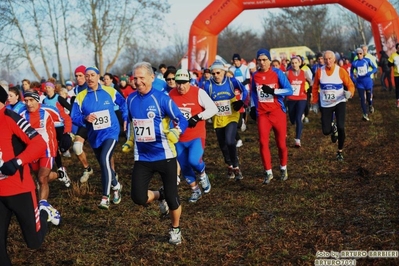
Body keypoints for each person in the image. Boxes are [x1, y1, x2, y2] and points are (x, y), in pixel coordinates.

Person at [126, 62, 188, 245]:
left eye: (141, 78)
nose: (137, 82)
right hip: (142, 157)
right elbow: (131, 123)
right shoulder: (130, 99)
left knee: (173, 197)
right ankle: (159, 194)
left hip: (165, 155)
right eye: (135, 78)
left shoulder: (162, 98)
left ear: (152, 78)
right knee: (138, 197)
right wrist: (130, 141)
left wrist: (176, 131)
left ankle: (175, 229)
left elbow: (181, 119)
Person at [0, 85, 59, 265]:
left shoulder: (11, 118)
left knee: (34, 242)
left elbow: (39, 143)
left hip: (20, 189)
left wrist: (17, 162)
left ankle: (43, 210)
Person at [71, 66, 126, 209]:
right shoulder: (81, 96)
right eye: (87, 76)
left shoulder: (110, 91)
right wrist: (85, 118)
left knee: (104, 159)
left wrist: (125, 118)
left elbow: (123, 104)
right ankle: (116, 186)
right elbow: (74, 117)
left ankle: (105, 197)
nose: (89, 78)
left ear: (98, 77)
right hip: (95, 136)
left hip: (111, 132)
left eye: (92, 75)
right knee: (104, 164)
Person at [168, 69, 218, 203]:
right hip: (179, 138)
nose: (181, 86)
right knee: (184, 166)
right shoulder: (171, 95)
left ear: (189, 82)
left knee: (194, 160)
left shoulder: (198, 92)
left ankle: (202, 174)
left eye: (184, 83)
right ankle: (195, 190)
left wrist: (198, 117)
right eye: (178, 83)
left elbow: (213, 109)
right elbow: (165, 113)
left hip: (196, 135)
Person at [19, 90, 65, 222]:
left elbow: (64, 119)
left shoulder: (48, 111)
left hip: (47, 150)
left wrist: (67, 134)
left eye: (31, 100)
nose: (28, 103)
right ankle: (59, 175)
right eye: (26, 101)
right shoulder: (21, 115)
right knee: (40, 177)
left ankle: (43, 205)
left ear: (37, 100)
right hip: (32, 151)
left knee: (41, 178)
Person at [250, 49, 293, 184]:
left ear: (269, 61)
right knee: (263, 143)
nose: (262, 63)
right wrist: (252, 107)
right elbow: (252, 93)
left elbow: (289, 90)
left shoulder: (277, 73)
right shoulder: (255, 75)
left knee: (280, 144)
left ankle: (283, 167)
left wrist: (273, 91)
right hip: (263, 114)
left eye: (264, 60)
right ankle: (268, 172)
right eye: (259, 60)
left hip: (277, 113)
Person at [202, 61, 247, 180]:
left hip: (231, 115)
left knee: (230, 141)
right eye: (214, 73)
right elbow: (202, 100)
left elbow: (245, 91)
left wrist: (241, 101)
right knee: (222, 145)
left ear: (224, 72)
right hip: (217, 118)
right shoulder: (208, 85)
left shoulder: (231, 81)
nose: (216, 75)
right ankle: (229, 165)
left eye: (218, 72)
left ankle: (236, 167)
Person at [312, 50, 355, 161]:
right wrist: (315, 103)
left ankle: (339, 151)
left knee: (341, 127)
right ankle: (332, 128)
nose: (327, 61)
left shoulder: (340, 71)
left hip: (339, 101)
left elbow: (350, 84)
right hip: (326, 104)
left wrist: (349, 93)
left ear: (334, 59)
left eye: (330, 58)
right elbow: (315, 87)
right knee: (326, 131)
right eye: (325, 59)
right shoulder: (319, 72)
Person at [285, 56, 313, 147]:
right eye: (292, 63)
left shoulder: (304, 73)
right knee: (292, 119)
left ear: (299, 63)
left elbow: (311, 81)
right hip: (291, 99)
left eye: (296, 63)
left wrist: (309, 90)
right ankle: (296, 118)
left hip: (302, 98)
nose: (294, 65)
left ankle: (298, 139)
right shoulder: (287, 74)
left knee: (298, 118)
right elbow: (282, 83)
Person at [350, 47, 378, 121]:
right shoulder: (354, 63)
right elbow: (351, 72)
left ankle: (370, 105)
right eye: (357, 54)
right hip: (360, 83)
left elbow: (375, 68)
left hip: (368, 82)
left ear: (363, 54)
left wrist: (370, 72)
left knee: (369, 97)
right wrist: (354, 80)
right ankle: (365, 114)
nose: (359, 55)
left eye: (360, 53)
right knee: (362, 99)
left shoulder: (367, 60)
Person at [388, 43, 399, 107]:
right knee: (397, 89)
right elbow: (389, 64)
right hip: (397, 75)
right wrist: (393, 63)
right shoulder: (393, 55)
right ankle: (398, 101)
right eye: (398, 47)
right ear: (396, 48)